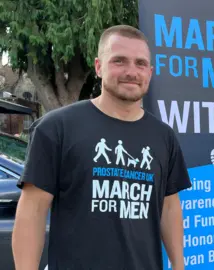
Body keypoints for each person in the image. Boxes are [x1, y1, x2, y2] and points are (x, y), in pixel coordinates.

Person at [12, 25, 191, 270]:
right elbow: (32, 211)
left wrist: (179, 266)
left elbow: (169, 207)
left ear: (149, 72)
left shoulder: (164, 136)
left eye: (140, 64)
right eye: (119, 61)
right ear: (99, 67)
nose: (131, 71)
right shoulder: (56, 128)